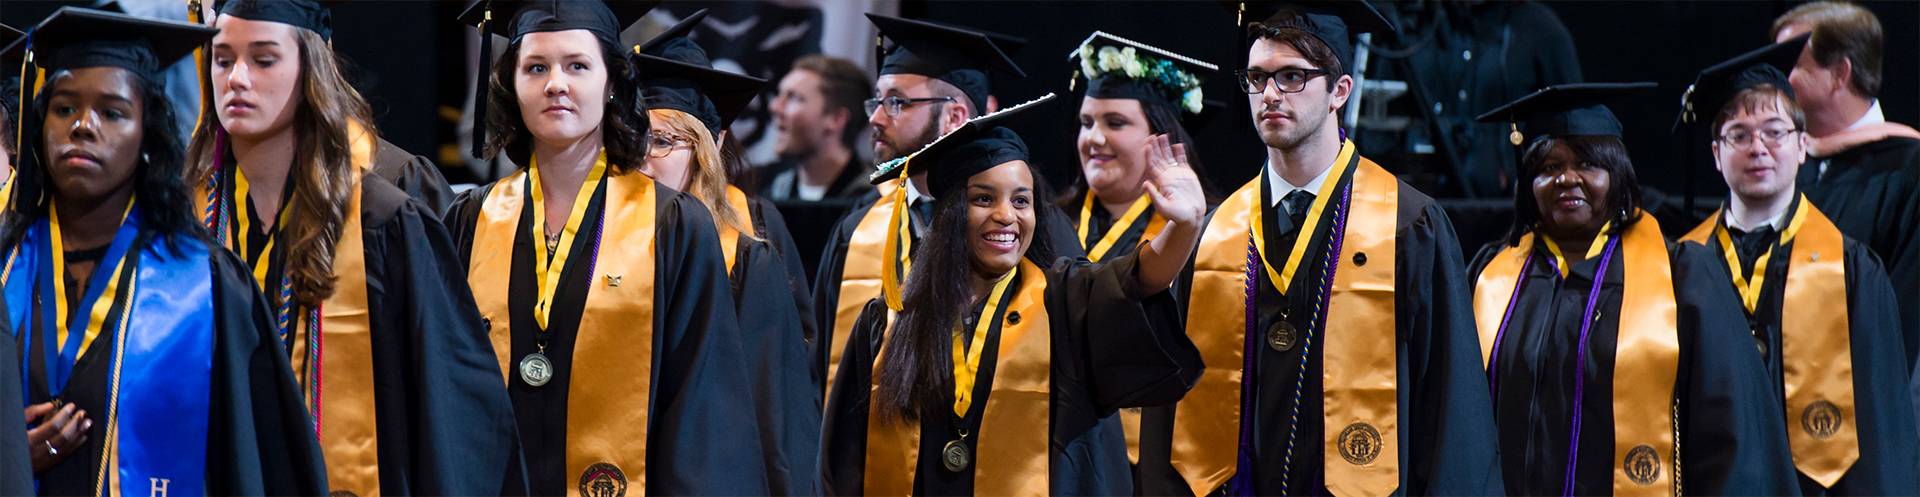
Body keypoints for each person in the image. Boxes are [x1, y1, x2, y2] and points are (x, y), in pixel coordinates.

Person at [1134, 3, 1501, 496]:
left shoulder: (1409, 225)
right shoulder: (1216, 231)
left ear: (1340, 91)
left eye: (1291, 77)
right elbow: (1170, 409)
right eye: (1257, 77)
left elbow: (1451, 406)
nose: (1269, 95)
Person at [183, 1, 520, 494]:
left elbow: (452, 414)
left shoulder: (386, 220)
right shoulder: (181, 217)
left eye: (263, 59)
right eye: (223, 59)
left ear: (313, 68)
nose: (237, 78)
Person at [445, 0, 766, 494]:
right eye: (536, 67)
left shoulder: (674, 226)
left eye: (577, 65)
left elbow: (704, 411)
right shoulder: (471, 219)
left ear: (612, 82)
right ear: (511, 84)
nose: (556, 83)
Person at [3, 7, 326, 494]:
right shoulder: (5, 267)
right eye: (64, 108)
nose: (83, 126)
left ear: (149, 137)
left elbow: (252, 466)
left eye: (112, 113)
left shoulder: (207, 286)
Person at [820, 92, 1207, 496]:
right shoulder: (887, 323)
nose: (1006, 215)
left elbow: (1137, 279)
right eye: (983, 199)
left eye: (1021, 200)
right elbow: (842, 463)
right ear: (951, 213)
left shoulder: (1061, 302)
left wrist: (1183, 226)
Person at [1469, 82, 1800, 495]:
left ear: (1617, 174)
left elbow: (1730, 430)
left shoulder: (1683, 276)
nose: (1566, 179)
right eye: (1548, 169)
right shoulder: (1491, 277)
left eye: (1587, 165)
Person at [1675, 38, 1918, 496]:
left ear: (1803, 146)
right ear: (1715, 154)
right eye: (1739, 136)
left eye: (1774, 131)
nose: (1758, 148)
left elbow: (1882, 425)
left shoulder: (1851, 271)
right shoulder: (1684, 267)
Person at [810, 14, 1081, 400]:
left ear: (955, 117)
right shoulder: (858, 228)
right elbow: (819, 368)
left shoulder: (1031, 226)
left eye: (896, 102)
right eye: (878, 100)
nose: (875, 117)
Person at [630, 10, 817, 496]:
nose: (645, 157)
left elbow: (776, 388)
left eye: (665, 141)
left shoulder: (751, 240)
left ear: (709, 148)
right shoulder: (603, 234)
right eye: (635, 139)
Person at [1774, 1, 1920, 369]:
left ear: (1840, 73)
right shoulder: (1791, 164)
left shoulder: (1907, 165)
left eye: (1790, 64)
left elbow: (1907, 308)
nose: (1773, 80)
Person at [762, 54, 874, 201]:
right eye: (779, 94)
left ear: (836, 119)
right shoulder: (771, 196)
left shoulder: (877, 204)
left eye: (794, 97)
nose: (775, 107)